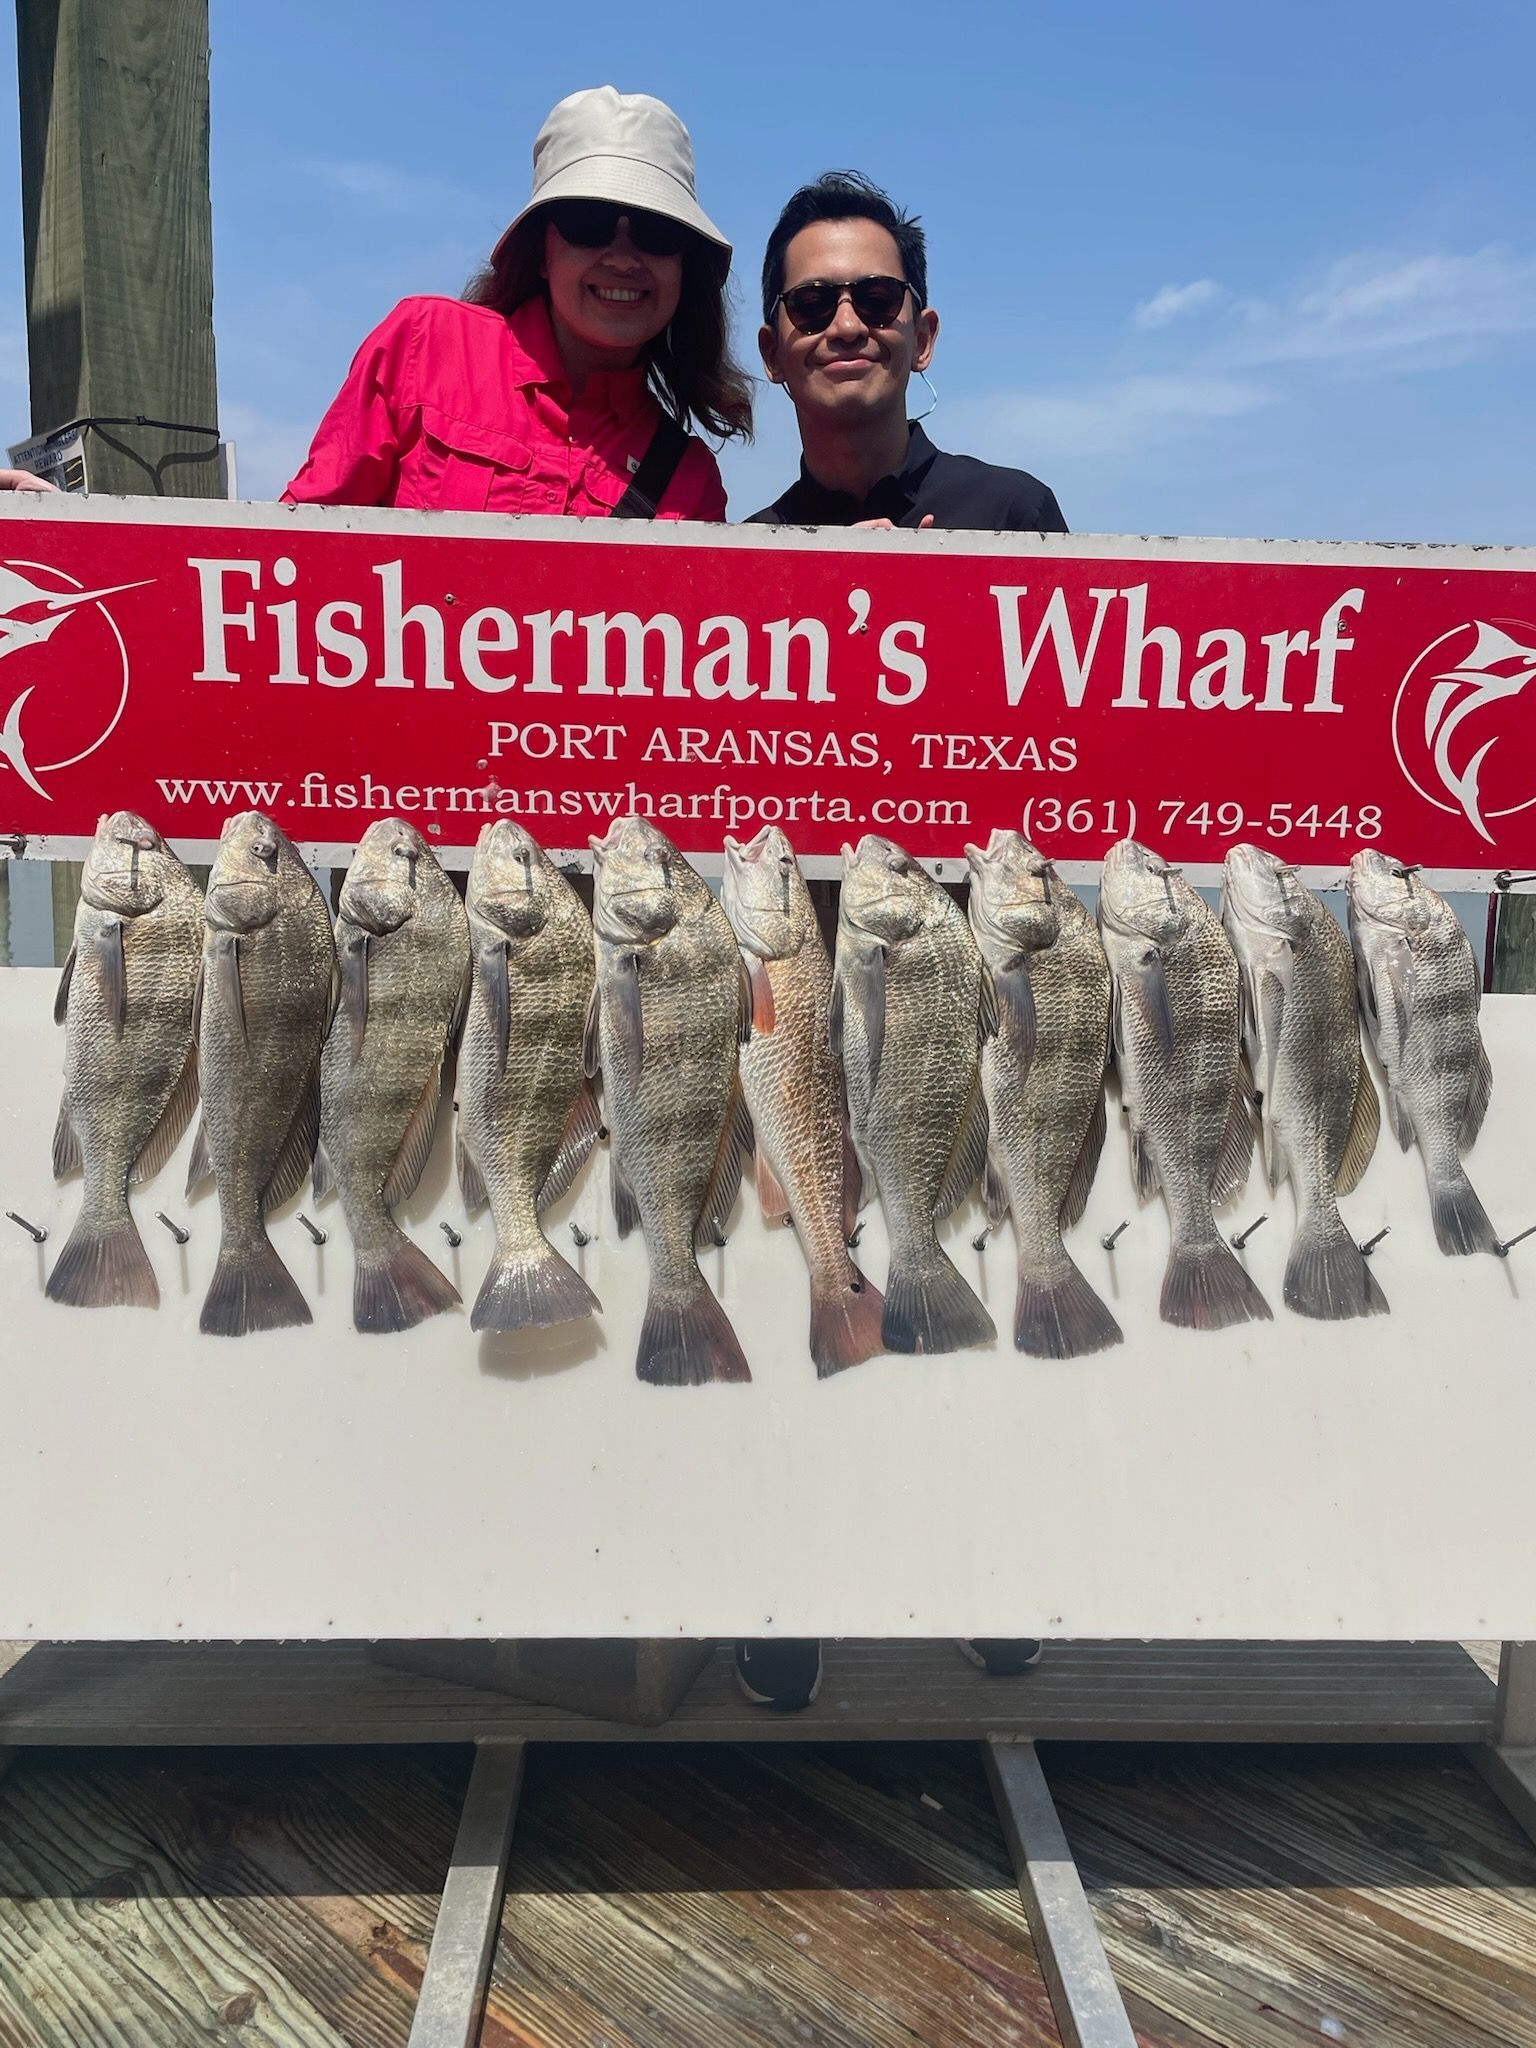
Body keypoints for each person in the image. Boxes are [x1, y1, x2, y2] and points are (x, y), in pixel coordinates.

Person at [734, 171, 1066, 1714]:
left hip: (974, 988)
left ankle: (982, 1571)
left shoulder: (1018, 513)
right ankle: (794, 1585)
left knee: (980, 1279)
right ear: (776, 343)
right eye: (814, 303)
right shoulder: (736, 560)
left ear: (923, 336)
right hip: (814, 988)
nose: (846, 323)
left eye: (874, 300)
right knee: (820, 1265)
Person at [283, 85, 751, 517]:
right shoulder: (423, 344)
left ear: (685, 267)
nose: (624, 260)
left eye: (656, 231)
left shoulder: (692, 481)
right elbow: (292, 558)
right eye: (588, 223)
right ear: (540, 252)